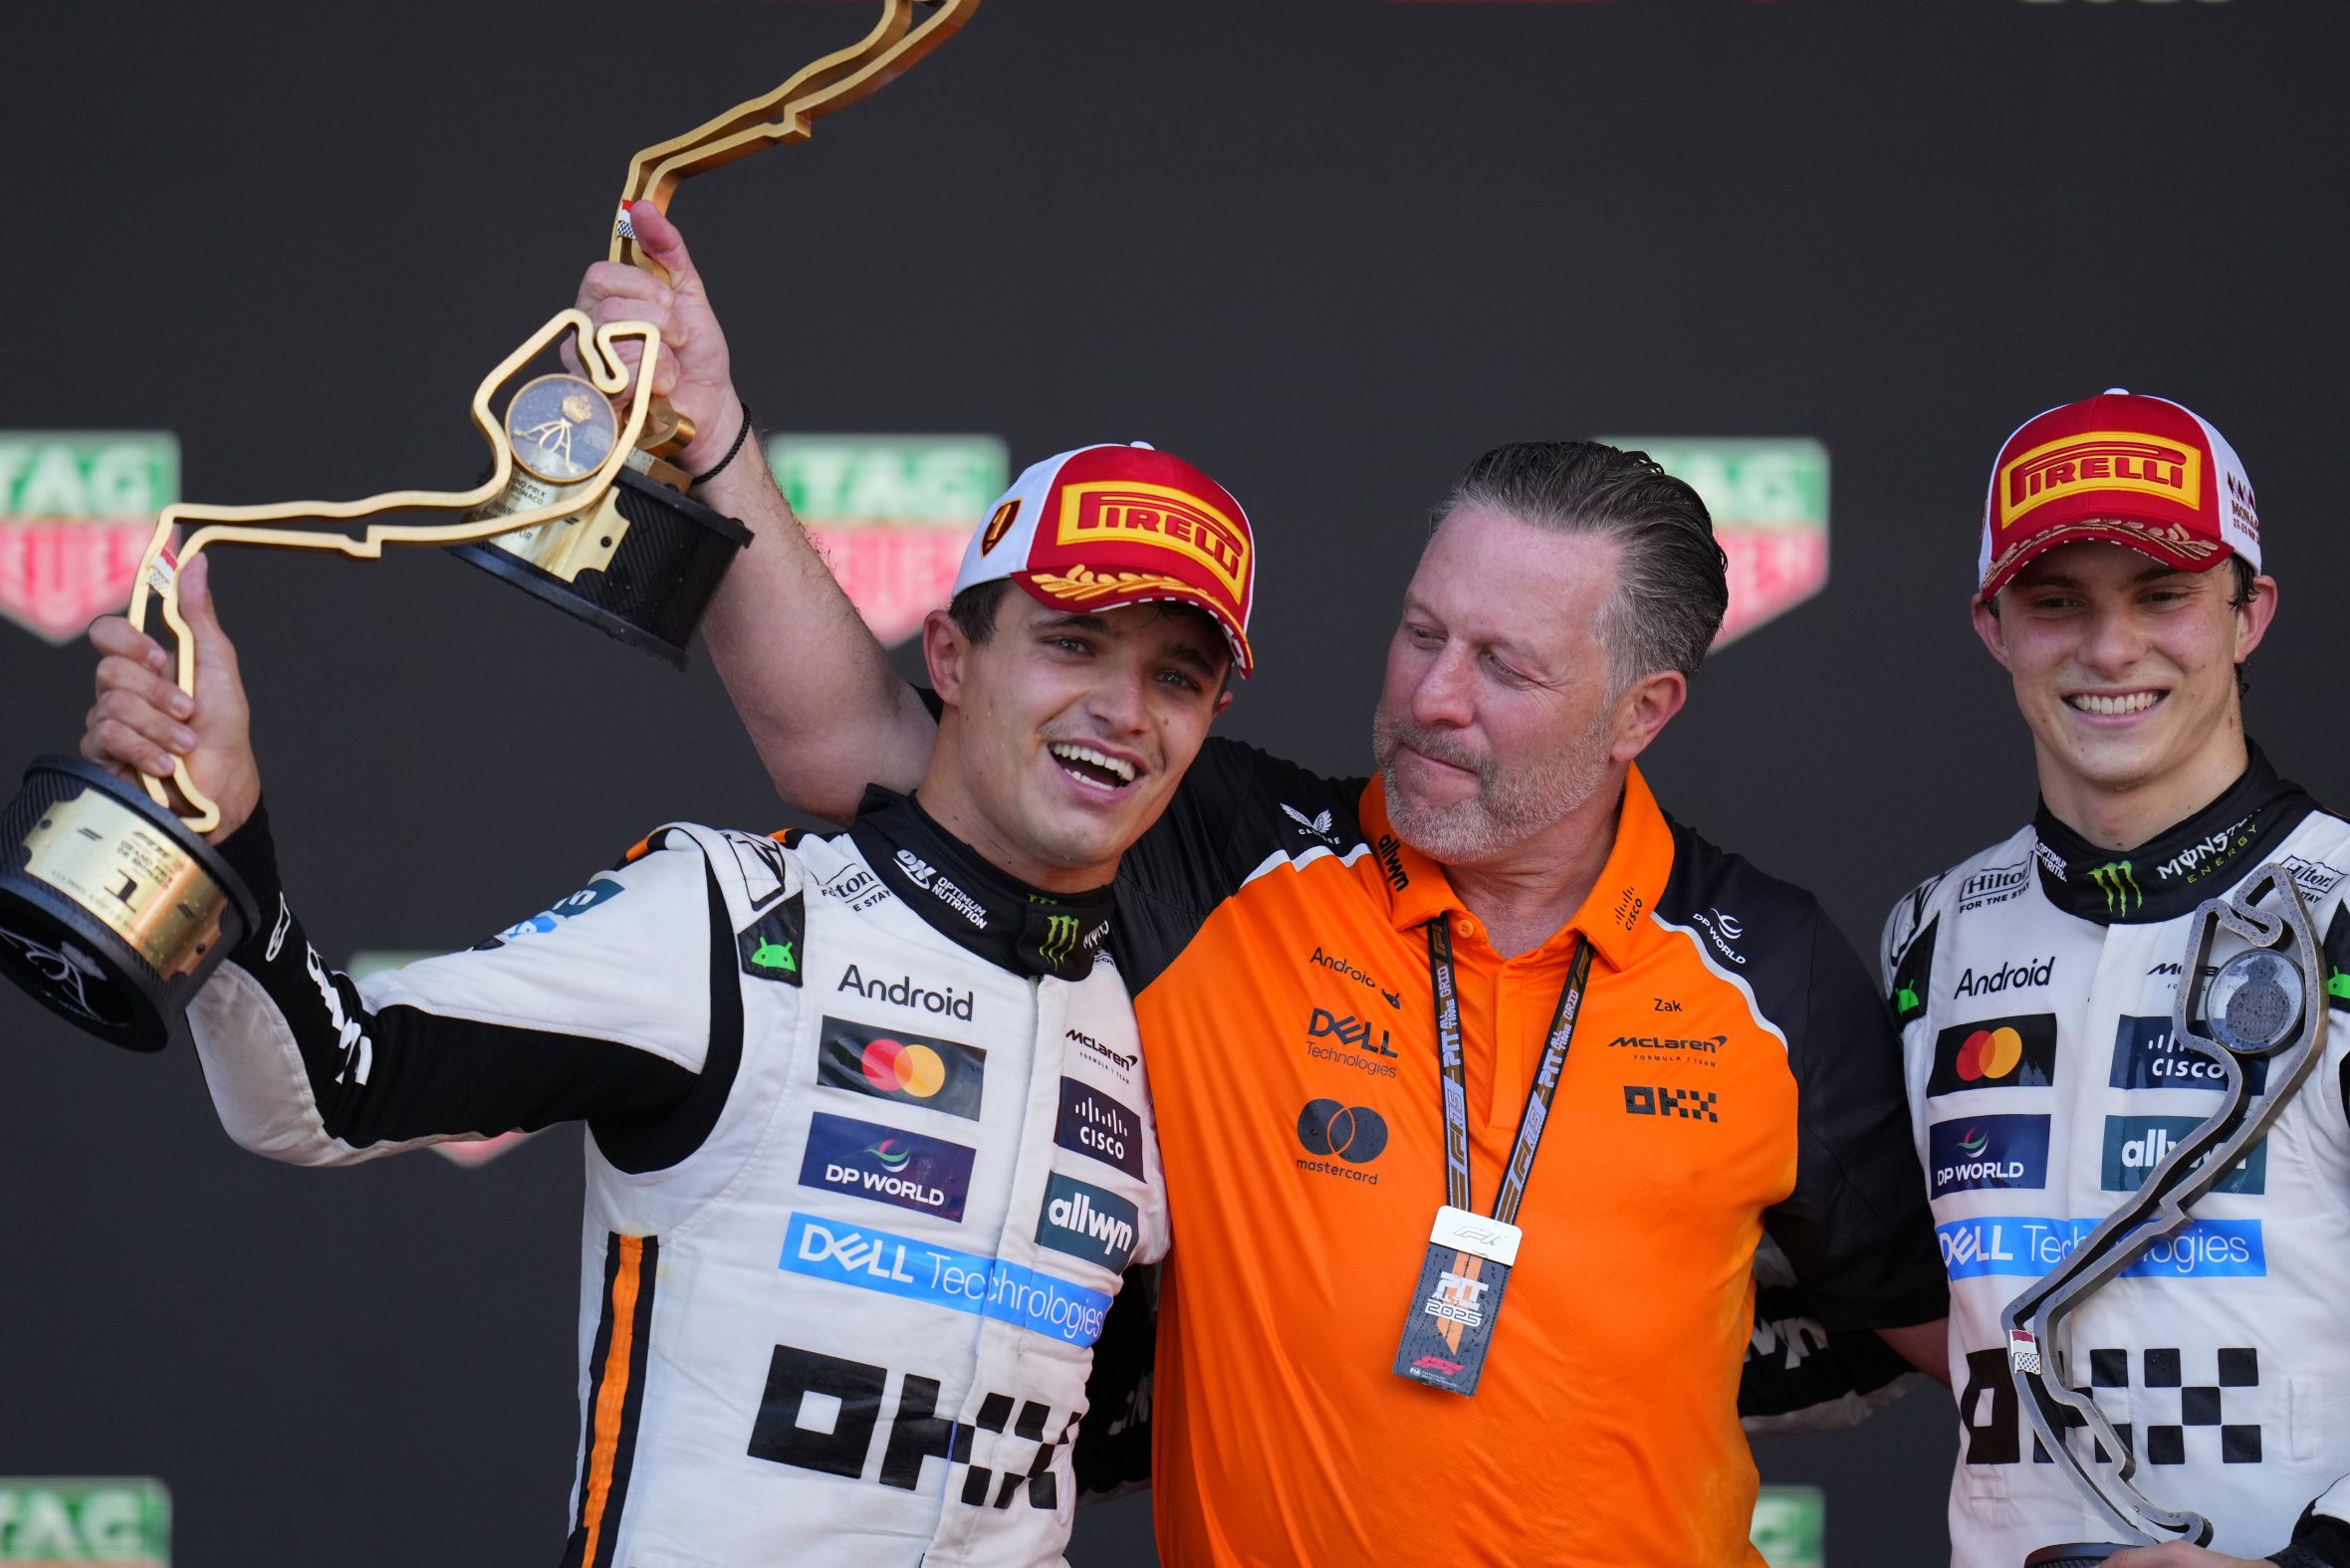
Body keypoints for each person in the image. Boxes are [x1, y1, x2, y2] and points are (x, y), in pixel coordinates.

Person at [566, 207, 1954, 1564]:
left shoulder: (1768, 969)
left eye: (1505, 666)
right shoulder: (1222, 850)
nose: (1434, 696)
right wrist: (716, 436)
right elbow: (845, 744)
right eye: (1423, 632)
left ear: (1641, 711)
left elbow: (1957, 1327)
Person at [79, 438, 1260, 1568]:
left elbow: (1113, 1431)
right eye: (1073, 644)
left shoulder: (1172, 1023)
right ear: (950, 658)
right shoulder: (733, 920)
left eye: (1176, 676)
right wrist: (222, 835)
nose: (1123, 708)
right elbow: (324, 1091)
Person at [1883, 389, 2350, 1566]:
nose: (2108, 649)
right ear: (1993, 627)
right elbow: (1888, 1297)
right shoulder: (1935, 936)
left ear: (2249, 615)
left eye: (2162, 595)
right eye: (2055, 601)